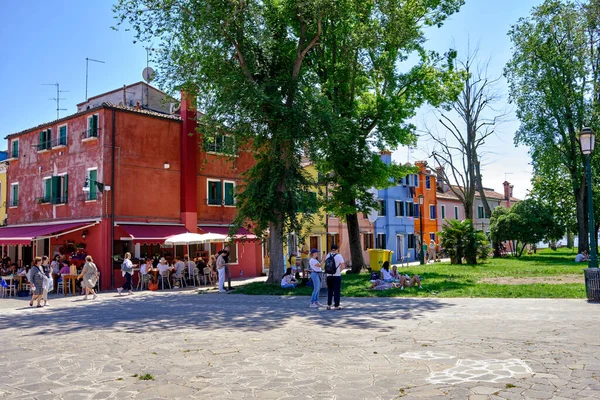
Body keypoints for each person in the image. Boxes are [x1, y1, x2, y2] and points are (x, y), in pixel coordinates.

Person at [325, 244, 345, 310]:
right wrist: (339, 271)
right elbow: (343, 266)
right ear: (337, 249)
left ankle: (328, 305)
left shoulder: (328, 255)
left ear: (331, 249)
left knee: (330, 290)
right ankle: (336, 305)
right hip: (336, 276)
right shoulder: (339, 256)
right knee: (336, 291)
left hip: (328, 275)